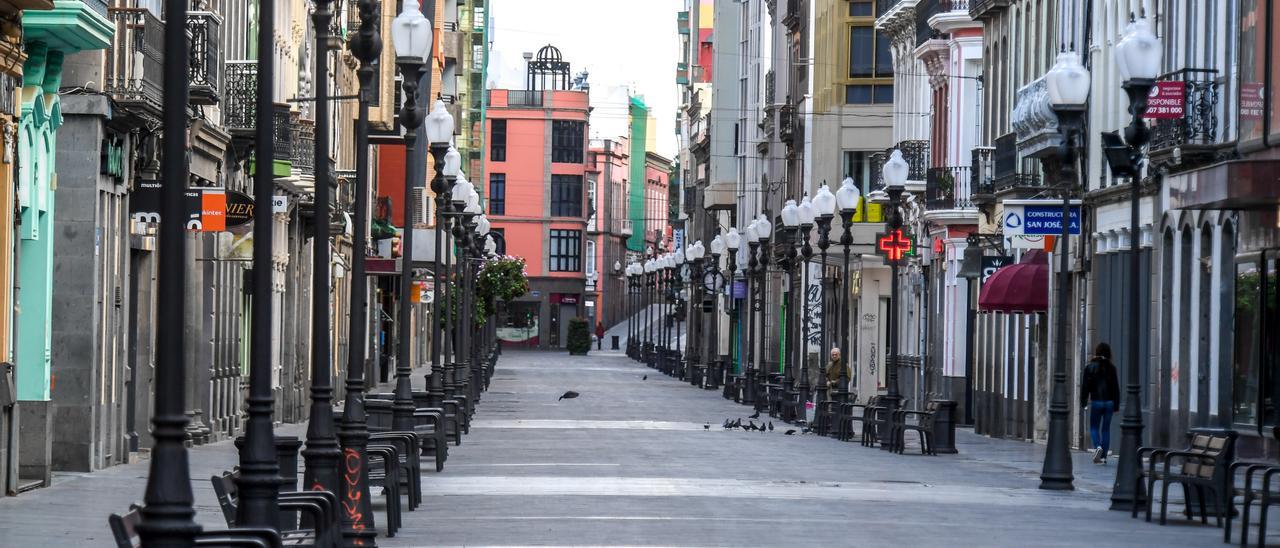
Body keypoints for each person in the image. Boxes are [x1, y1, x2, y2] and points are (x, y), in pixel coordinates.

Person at [1080, 342, 1120, 464]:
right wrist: (1116, 405)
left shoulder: (1089, 367)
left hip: (1096, 401)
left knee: (1094, 427)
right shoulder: (1112, 368)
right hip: (1109, 403)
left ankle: (1098, 446)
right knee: (1106, 429)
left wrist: (1084, 402)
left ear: (1096, 352)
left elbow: (1085, 387)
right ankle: (1103, 458)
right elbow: (1115, 388)